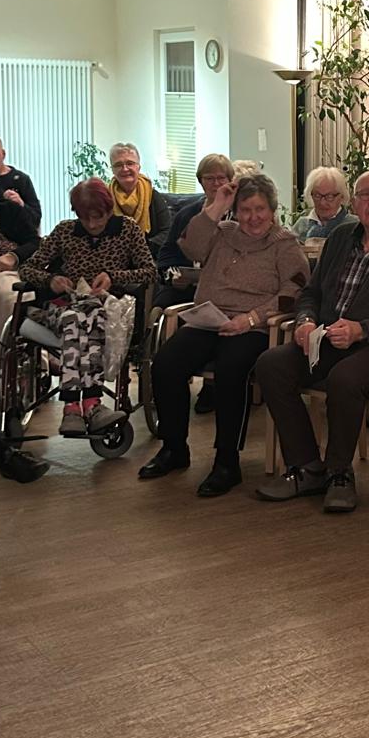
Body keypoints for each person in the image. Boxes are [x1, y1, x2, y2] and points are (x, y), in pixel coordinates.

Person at [254, 171, 369, 514]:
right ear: (353, 202)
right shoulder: (340, 237)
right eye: (364, 195)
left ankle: (339, 473)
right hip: (327, 338)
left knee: (345, 378)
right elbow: (311, 293)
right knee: (271, 364)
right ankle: (307, 466)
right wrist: (306, 321)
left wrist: (362, 329)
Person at [139, 174, 309, 497]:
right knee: (166, 363)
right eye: (245, 209)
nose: (253, 217)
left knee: (231, 370)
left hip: (253, 327)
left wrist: (252, 317)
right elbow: (189, 245)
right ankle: (174, 448)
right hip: (209, 320)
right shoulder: (223, 232)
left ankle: (227, 461)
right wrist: (217, 205)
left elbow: (295, 291)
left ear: (272, 210)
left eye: (260, 209)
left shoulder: (284, 244)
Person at [18, 178, 155, 436]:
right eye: (84, 217)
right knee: (78, 316)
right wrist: (51, 279)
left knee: (89, 316)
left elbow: (150, 271)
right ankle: (91, 404)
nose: (91, 224)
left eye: (98, 217)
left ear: (109, 209)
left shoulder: (128, 229)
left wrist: (113, 277)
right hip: (66, 307)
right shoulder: (65, 231)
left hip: (108, 309)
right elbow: (27, 268)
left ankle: (72, 407)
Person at [154, 154, 236, 310]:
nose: (216, 184)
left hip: (226, 288)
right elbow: (167, 253)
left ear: (230, 181)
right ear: (201, 181)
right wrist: (174, 276)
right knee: (161, 305)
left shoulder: (239, 216)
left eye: (221, 178)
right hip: (187, 288)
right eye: (209, 178)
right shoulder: (186, 214)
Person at [0, 166, 23, 372]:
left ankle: (31, 357)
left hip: (12, 266)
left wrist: (13, 256)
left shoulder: (10, 210)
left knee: (18, 294)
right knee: (4, 295)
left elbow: (34, 242)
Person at [108, 142, 170, 259]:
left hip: (148, 256)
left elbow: (167, 231)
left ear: (138, 167)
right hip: (114, 257)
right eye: (118, 165)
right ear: (112, 170)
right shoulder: (105, 198)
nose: (125, 168)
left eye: (130, 163)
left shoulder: (152, 195)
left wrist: (140, 249)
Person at [0, 134, 41, 254]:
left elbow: (36, 220)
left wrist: (21, 204)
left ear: (3, 154)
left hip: (14, 247)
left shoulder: (21, 180)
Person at [290, 167, 357, 243]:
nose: (322, 202)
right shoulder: (301, 225)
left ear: (342, 196)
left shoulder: (354, 224)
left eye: (329, 196)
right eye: (317, 195)